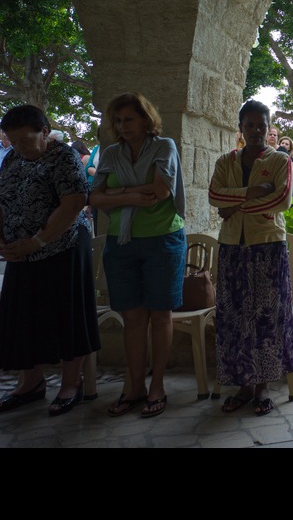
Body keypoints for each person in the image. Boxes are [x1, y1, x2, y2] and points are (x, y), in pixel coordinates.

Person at [0, 104, 100, 416]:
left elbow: (73, 203)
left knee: (66, 315)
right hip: (20, 253)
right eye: (14, 140)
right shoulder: (13, 158)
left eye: (26, 140)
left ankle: (70, 383)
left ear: (45, 132)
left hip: (61, 248)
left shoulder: (62, 157)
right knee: (23, 316)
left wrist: (37, 240)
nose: (19, 147)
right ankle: (31, 383)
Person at [90, 92, 187, 419]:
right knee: (132, 318)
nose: (122, 126)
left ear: (146, 119)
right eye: (117, 121)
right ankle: (133, 387)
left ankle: (156, 385)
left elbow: (160, 191)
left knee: (160, 315)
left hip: (162, 241)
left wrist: (113, 195)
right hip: (121, 243)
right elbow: (94, 199)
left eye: (129, 119)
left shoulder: (164, 147)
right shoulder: (111, 152)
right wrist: (130, 193)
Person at [208, 98, 293, 416]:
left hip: (268, 247)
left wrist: (233, 207)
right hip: (232, 248)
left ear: (269, 128)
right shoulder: (225, 161)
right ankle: (242, 386)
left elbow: (282, 200)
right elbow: (213, 196)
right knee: (234, 319)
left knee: (266, 318)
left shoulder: (280, 160)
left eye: (262, 125)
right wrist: (253, 193)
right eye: (250, 125)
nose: (256, 130)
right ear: (241, 128)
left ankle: (262, 389)